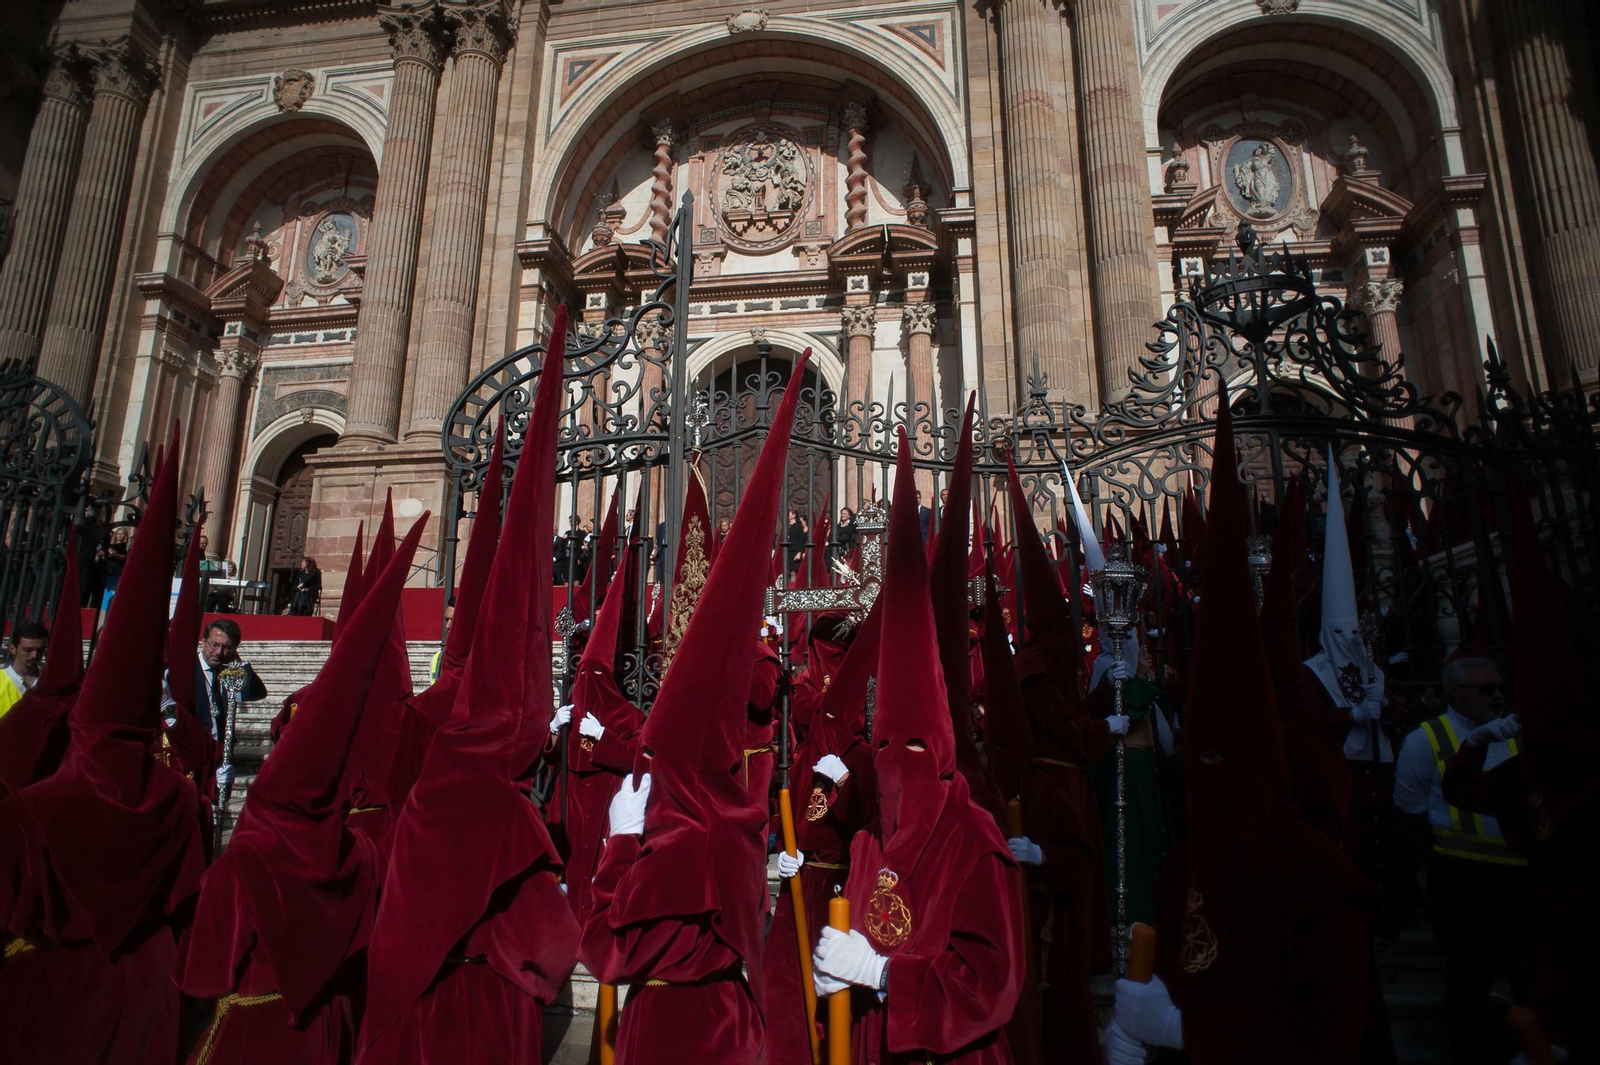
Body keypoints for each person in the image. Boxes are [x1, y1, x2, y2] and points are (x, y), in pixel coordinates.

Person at [1110, 391, 1382, 1065]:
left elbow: (1321, 1033)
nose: (1209, 780)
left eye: (1221, 760)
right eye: (1199, 761)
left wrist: (1180, 1034)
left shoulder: (1318, 877)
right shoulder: (1182, 871)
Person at [579, 350, 810, 1063]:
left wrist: (619, 844)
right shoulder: (736, 831)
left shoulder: (674, 843)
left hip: (668, 1031)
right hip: (734, 1023)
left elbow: (605, 946)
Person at [363, 313, 577, 1065]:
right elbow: (551, 950)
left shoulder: (425, 799)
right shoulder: (509, 818)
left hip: (413, 1014)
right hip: (485, 1018)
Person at [173, 515, 426, 1065]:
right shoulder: (356, 859)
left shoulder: (244, 863)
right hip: (327, 1028)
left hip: (252, 1030)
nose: (219, 651)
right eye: (216, 644)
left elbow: (203, 969)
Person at [811, 430, 1023, 1063]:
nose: (894, 766)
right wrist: (833, 971)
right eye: (881, 748)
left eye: (911, 747)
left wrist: (881, 976)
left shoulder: (976, 842)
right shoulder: (870, 838)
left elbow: (989, 982)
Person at [1, 427, 207, 1065]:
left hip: (44, 989)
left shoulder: (36, 804)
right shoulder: (175, 796)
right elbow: (190, 903)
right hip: (149, 984)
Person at [1393, 654, 1527, 1065]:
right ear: (1458, 694)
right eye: (1486, 688)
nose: (1497, 695)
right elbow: (1410, 807)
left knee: (1531, 971)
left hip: (1521, 875)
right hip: (1462, 876)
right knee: (1469, 976)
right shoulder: (1428, 739)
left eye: (1500, 687)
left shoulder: (1517, 733)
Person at [1, 621, 48, 719]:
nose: (34, 655)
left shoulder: (51, 681)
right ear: (12, 648)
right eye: (27, 650)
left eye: (40, 650)